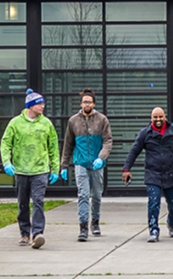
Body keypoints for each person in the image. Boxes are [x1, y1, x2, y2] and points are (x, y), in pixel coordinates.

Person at [0, 88, 60, 249]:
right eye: (40, 104)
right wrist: (7, 162)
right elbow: (5, 144)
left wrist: (55, 169)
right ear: (31, 105)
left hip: (40, 170)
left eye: (43, 104)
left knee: (38, 201)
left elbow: (53, 147)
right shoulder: (15, 123)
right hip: (21, 170)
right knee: (23, 203)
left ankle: (38, 234)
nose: (43, 107)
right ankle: (24, 233)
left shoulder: (46, 123)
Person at [122, 107, 173, 243]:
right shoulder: (145, 133)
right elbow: (134, 151)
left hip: (171, 173)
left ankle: (171, 223)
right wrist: (126, 168)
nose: (158, 120)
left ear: (165, 116)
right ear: (151, 118)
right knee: (153, 203)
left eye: (160, 117)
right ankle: (153, 230)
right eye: (155, 117)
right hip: (153, 174)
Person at [60, 88, 112, 242]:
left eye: (89, 102)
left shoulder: (102, 120)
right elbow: (68, 144)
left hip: (97, 164)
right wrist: (64, 165)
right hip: (80, 163)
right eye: (84, 102)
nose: (87, 104)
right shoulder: (73, 121)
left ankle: (95, 222)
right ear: (81, 104)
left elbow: (108, 141)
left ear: (94, 104)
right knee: (83, 195)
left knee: (96, 195)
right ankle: (83, 227)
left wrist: (101, 158)